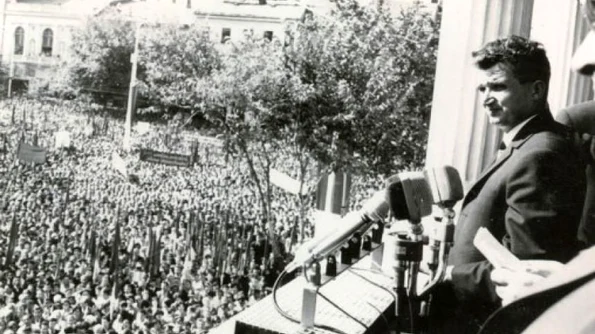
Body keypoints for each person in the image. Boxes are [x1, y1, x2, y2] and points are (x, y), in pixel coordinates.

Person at [428, 35, 587, 334]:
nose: (486, 97)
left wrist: (449, 274)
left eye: (498, 86)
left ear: (536, 90)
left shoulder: (542, 154)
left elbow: (527, 270)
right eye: (482, 88)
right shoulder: (525, 144)